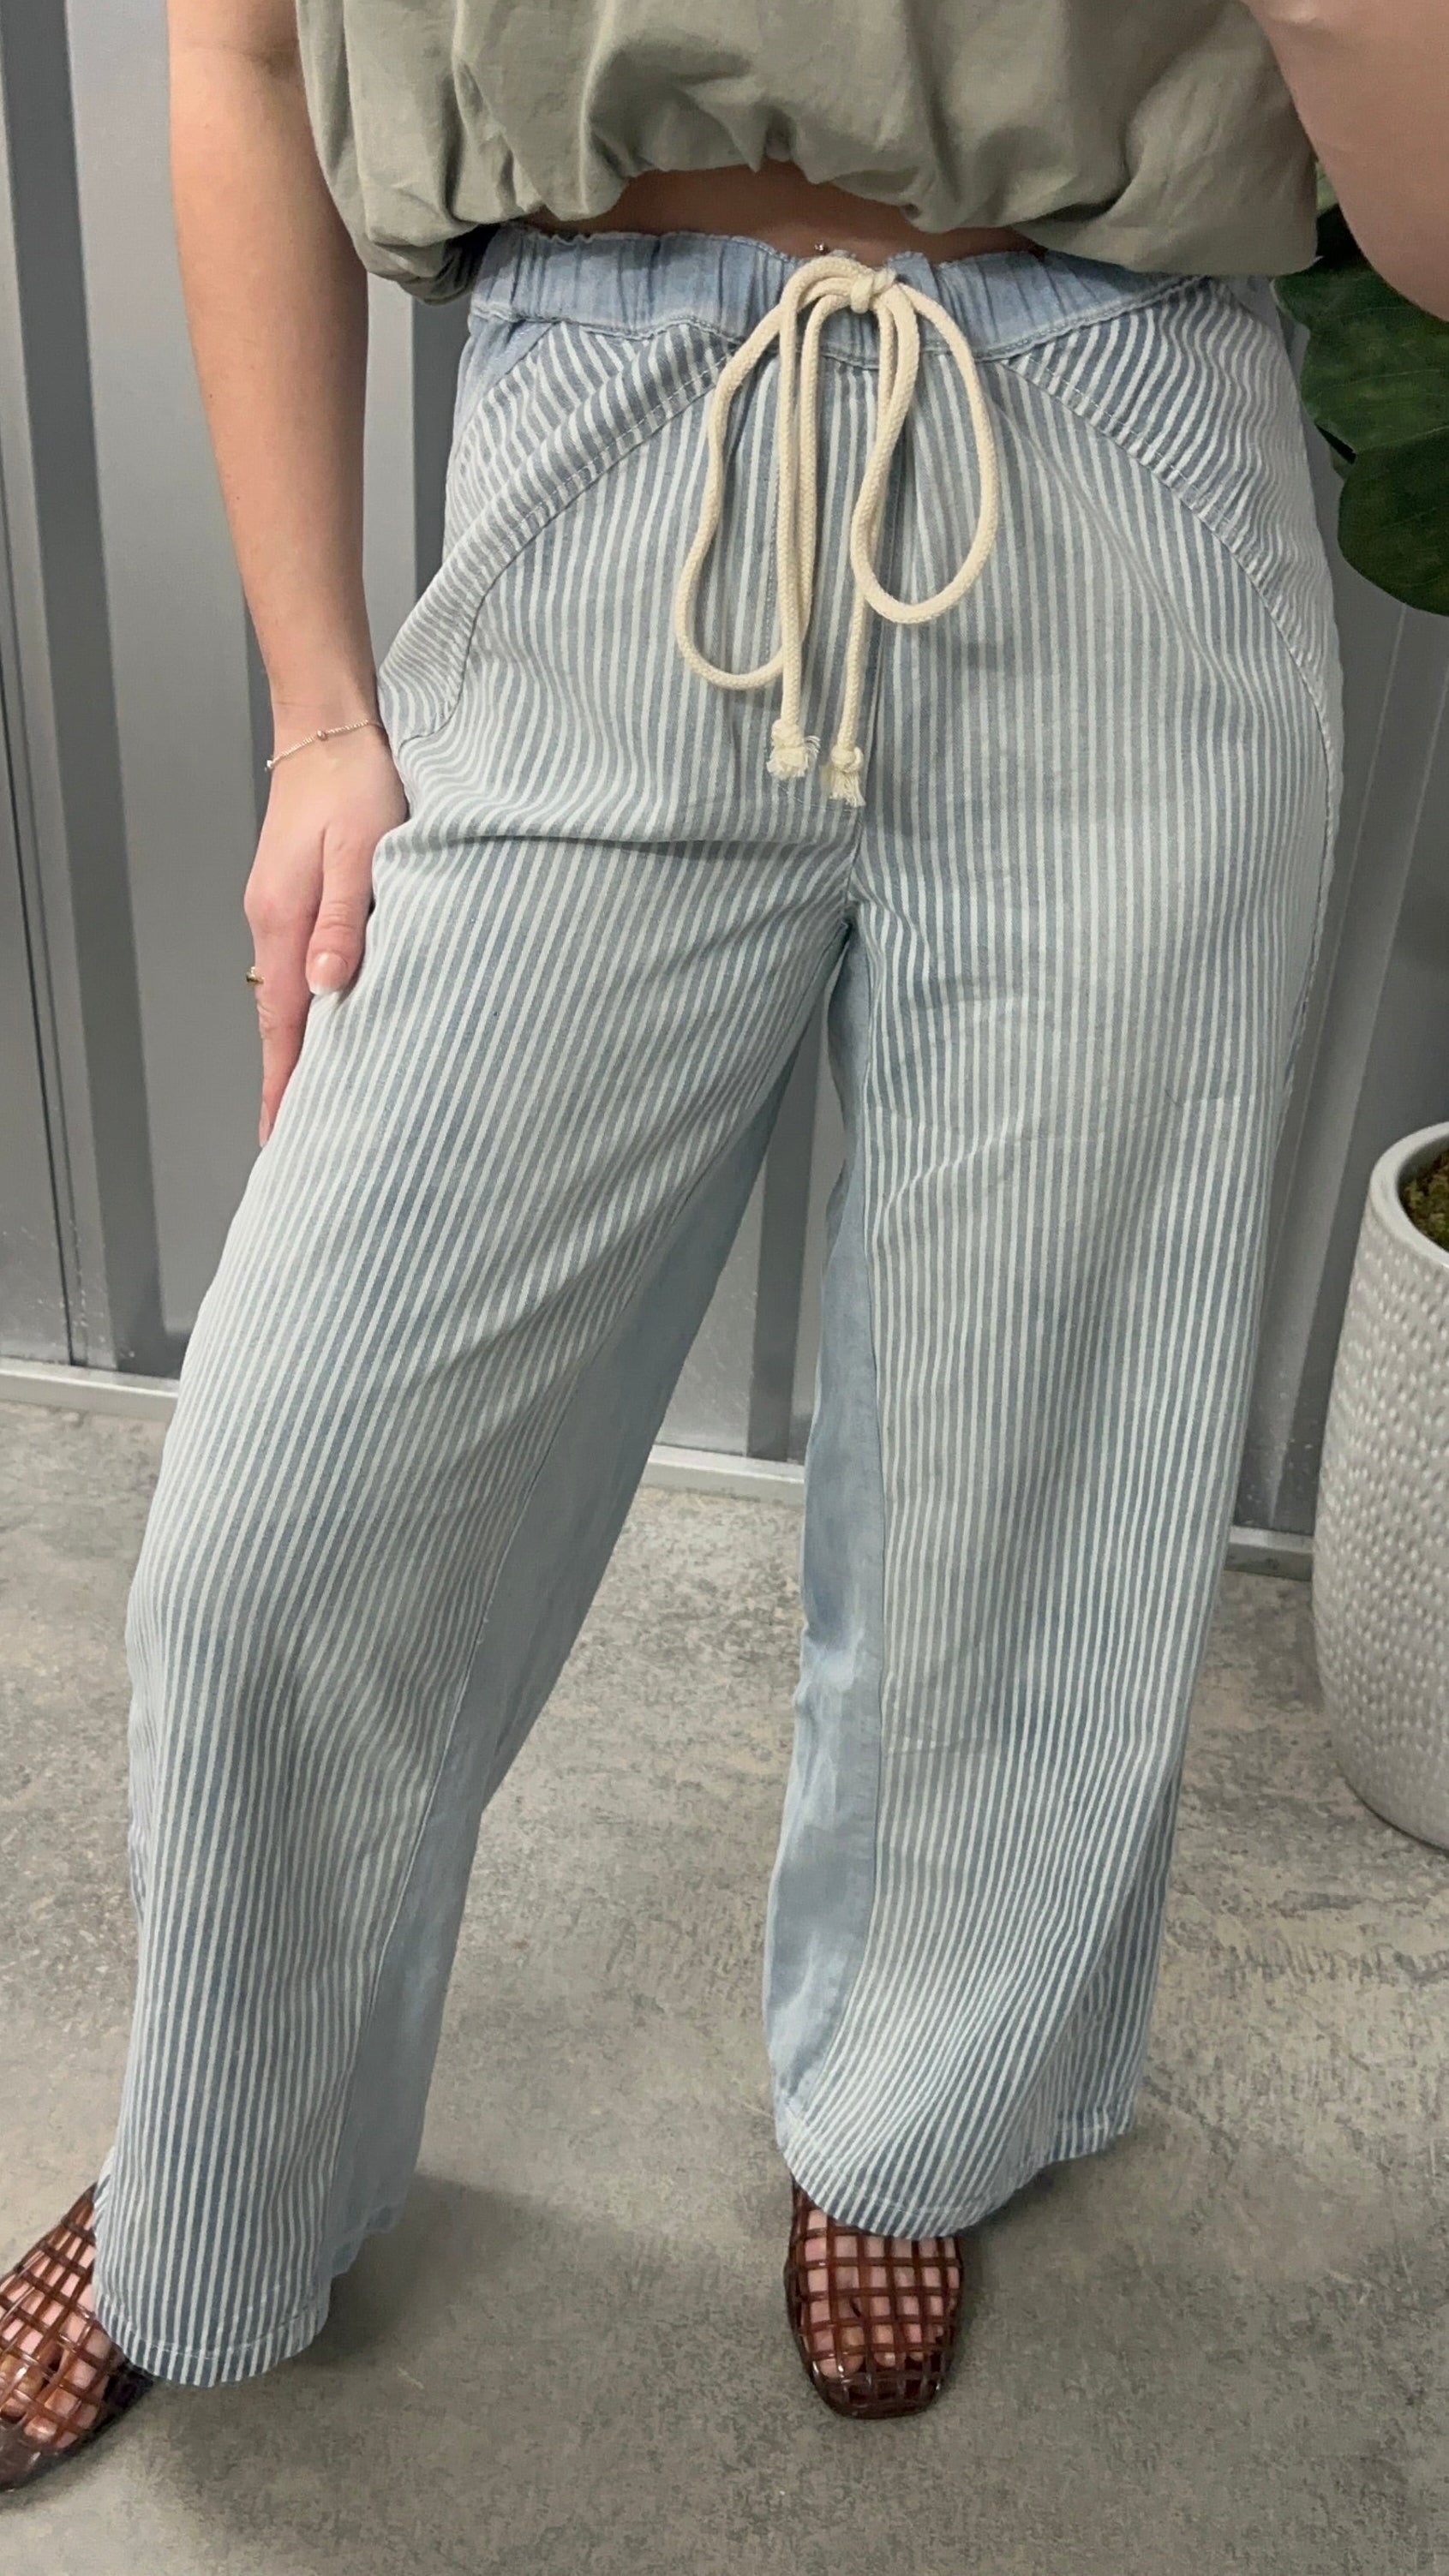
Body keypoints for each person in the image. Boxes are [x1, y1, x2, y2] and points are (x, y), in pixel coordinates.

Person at [1, 0, 1443, 2491]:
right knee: (292, 1512)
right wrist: (322, 714)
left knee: (1036, 1459)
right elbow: (233, 51)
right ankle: (223, 2162)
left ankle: (912, 2120)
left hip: (1119, 470)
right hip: (599, 458)